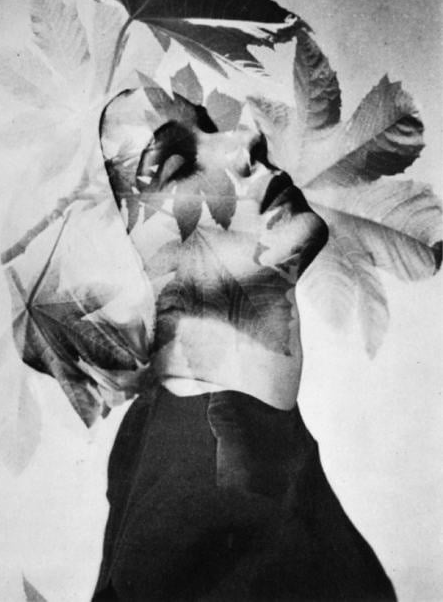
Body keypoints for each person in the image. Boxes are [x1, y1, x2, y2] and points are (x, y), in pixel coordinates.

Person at [92, 88, 396, 601]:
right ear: (139, 248)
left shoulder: (201, 440)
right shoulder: (209, 511)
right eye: (178, 165)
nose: (248, 138)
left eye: (212, 128)